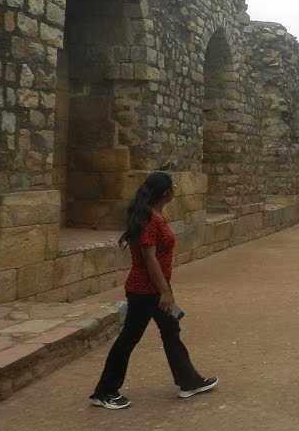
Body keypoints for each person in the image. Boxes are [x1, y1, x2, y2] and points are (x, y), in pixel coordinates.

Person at [89, 171, 217, 409]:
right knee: (129, 338)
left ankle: (189, 381)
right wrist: (165, 293)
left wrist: (166, 290)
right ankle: (104, 391)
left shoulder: (155, 215)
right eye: (174, 187)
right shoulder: (150, 220)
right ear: (167, 193)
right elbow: (150, 259)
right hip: (145, 292)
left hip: (156, 289)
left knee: (171, 328)